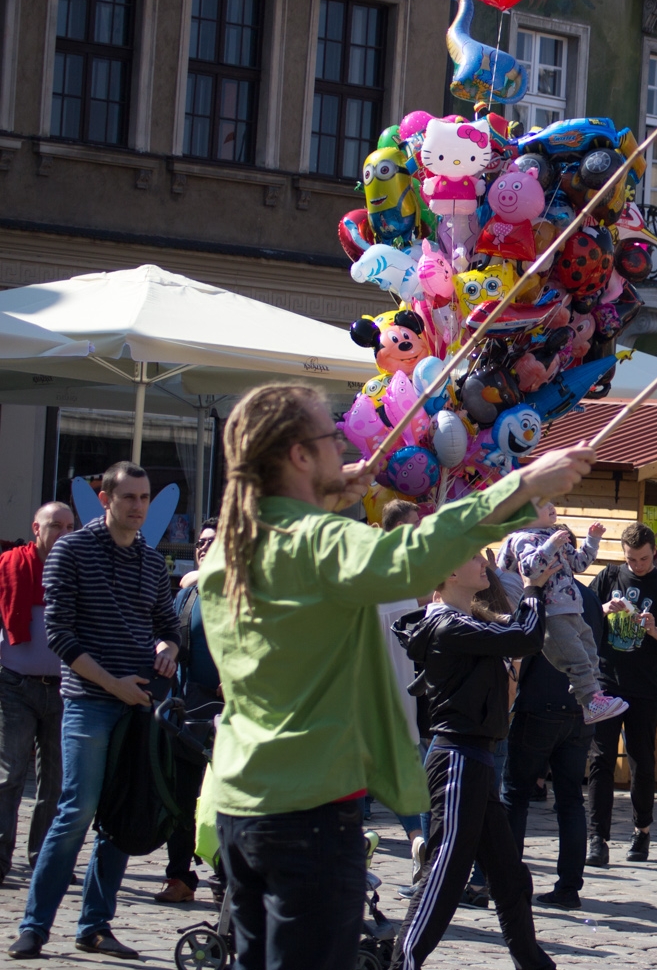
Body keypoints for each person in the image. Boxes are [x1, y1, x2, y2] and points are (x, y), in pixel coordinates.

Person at [193, 383, 593, 970]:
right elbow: (413, 556)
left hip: (239, 805)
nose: (341, 444)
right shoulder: (317, 542)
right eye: (330, 436)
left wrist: (324, 500)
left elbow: (302, 565)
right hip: (309, 810)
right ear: (300, 458)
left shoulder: (235, 542)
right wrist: (523, 485)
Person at [11, 464, 180, 960]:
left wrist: (168, 648)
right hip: (89, 701)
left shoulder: (150, 561)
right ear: (105, 499)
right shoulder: (72, 549)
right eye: (128, 496)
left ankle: (96, 926)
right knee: (77, 811)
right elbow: (61, 634)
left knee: (120, 815)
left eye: (145, 497)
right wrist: (111, 684)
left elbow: (168, 625)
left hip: (138, 704)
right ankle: (35, 926)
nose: (138, 506)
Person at [388, 552, 553, 970]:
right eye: (474, 558)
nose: (485, 563)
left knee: (510, 878)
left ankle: (532, 962)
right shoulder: (448, 623)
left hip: (473, 759)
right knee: (445, 872)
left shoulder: (467, 620)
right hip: (458, 759)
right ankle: (402, 961)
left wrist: (539, 573)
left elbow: (514, 630)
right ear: (448, 572)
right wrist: (532, 586)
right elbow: (526, 638)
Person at [586, 522, 657, 866]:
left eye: (644, 558)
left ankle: (641, 831)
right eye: (632, 559)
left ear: (653, 553)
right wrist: (603, 610)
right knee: (600, 760)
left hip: (644, 688)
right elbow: (581, 616)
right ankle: (597, 838)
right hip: (605, 681)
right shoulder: (609, 577)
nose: (638, 565)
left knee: (640, 761)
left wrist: (654, 629)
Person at [502, 578, 601, 910]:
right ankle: (570, 887)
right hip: (579, 707)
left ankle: (508, 883)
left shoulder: (538, 593)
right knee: (571, 799)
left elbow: (521, 643)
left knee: (514, 795)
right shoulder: (587, 596)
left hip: (539, 704)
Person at [499, 505, 627, 723]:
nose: (551, 506)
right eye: (542, 504)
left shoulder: (552, 535)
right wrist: (550, 547)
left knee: (589, 652)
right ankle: (590, 701)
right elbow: (529, 570)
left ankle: (594, 700)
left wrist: (592, 540)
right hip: (550, 613)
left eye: (551, 502)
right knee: (575, 657)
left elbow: (579, 563)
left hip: (572, 609)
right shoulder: (522, 539)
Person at [0, 503, 71, 889]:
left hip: (64, 689)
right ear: (36, 528)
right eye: (54, 525)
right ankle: (0, 856)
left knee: (55, 780)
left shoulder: (77, 571)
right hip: (16, 685)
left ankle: (43, 858)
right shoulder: (10, 564)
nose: (62, 532)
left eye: (69, 526)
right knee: (9, 775)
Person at [156, 518, 222, 905]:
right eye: (199, 542)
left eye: (212, 542)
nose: (202, 547)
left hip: (228, 716)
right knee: (182, 798)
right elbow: (170, 635)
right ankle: (179, 876)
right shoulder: (190, 593)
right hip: (186, 713)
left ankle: (226, 879)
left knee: (222, 801)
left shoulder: (245, 593)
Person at [375, 500, 430, 888]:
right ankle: (418, 839)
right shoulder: (381, 573)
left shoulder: (403, 576)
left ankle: (418, 839)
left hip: (397, 693)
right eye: (412, 527)